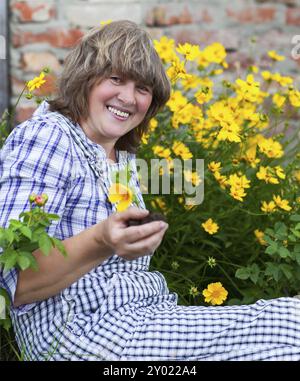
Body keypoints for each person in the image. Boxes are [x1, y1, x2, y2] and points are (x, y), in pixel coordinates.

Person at [0, 20, 300, 361]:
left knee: (291, 321)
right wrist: (102, 240)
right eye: (115, 79)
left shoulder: (119, 157)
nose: (128, 97)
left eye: (142, 88)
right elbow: (17, 284)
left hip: (143, 317)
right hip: (84, 332)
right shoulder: (47, 138)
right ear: (84, 78)